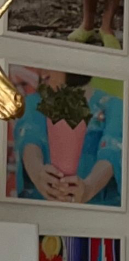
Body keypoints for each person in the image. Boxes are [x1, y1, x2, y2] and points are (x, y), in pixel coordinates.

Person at [13, 69, 122, 206]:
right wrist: (38, 174)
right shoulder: (33, 103)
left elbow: (112, 151)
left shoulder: (114, 106)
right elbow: (29, 138)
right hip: (41, 212)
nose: (43, 73)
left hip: (97, 214)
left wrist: (88, 188)